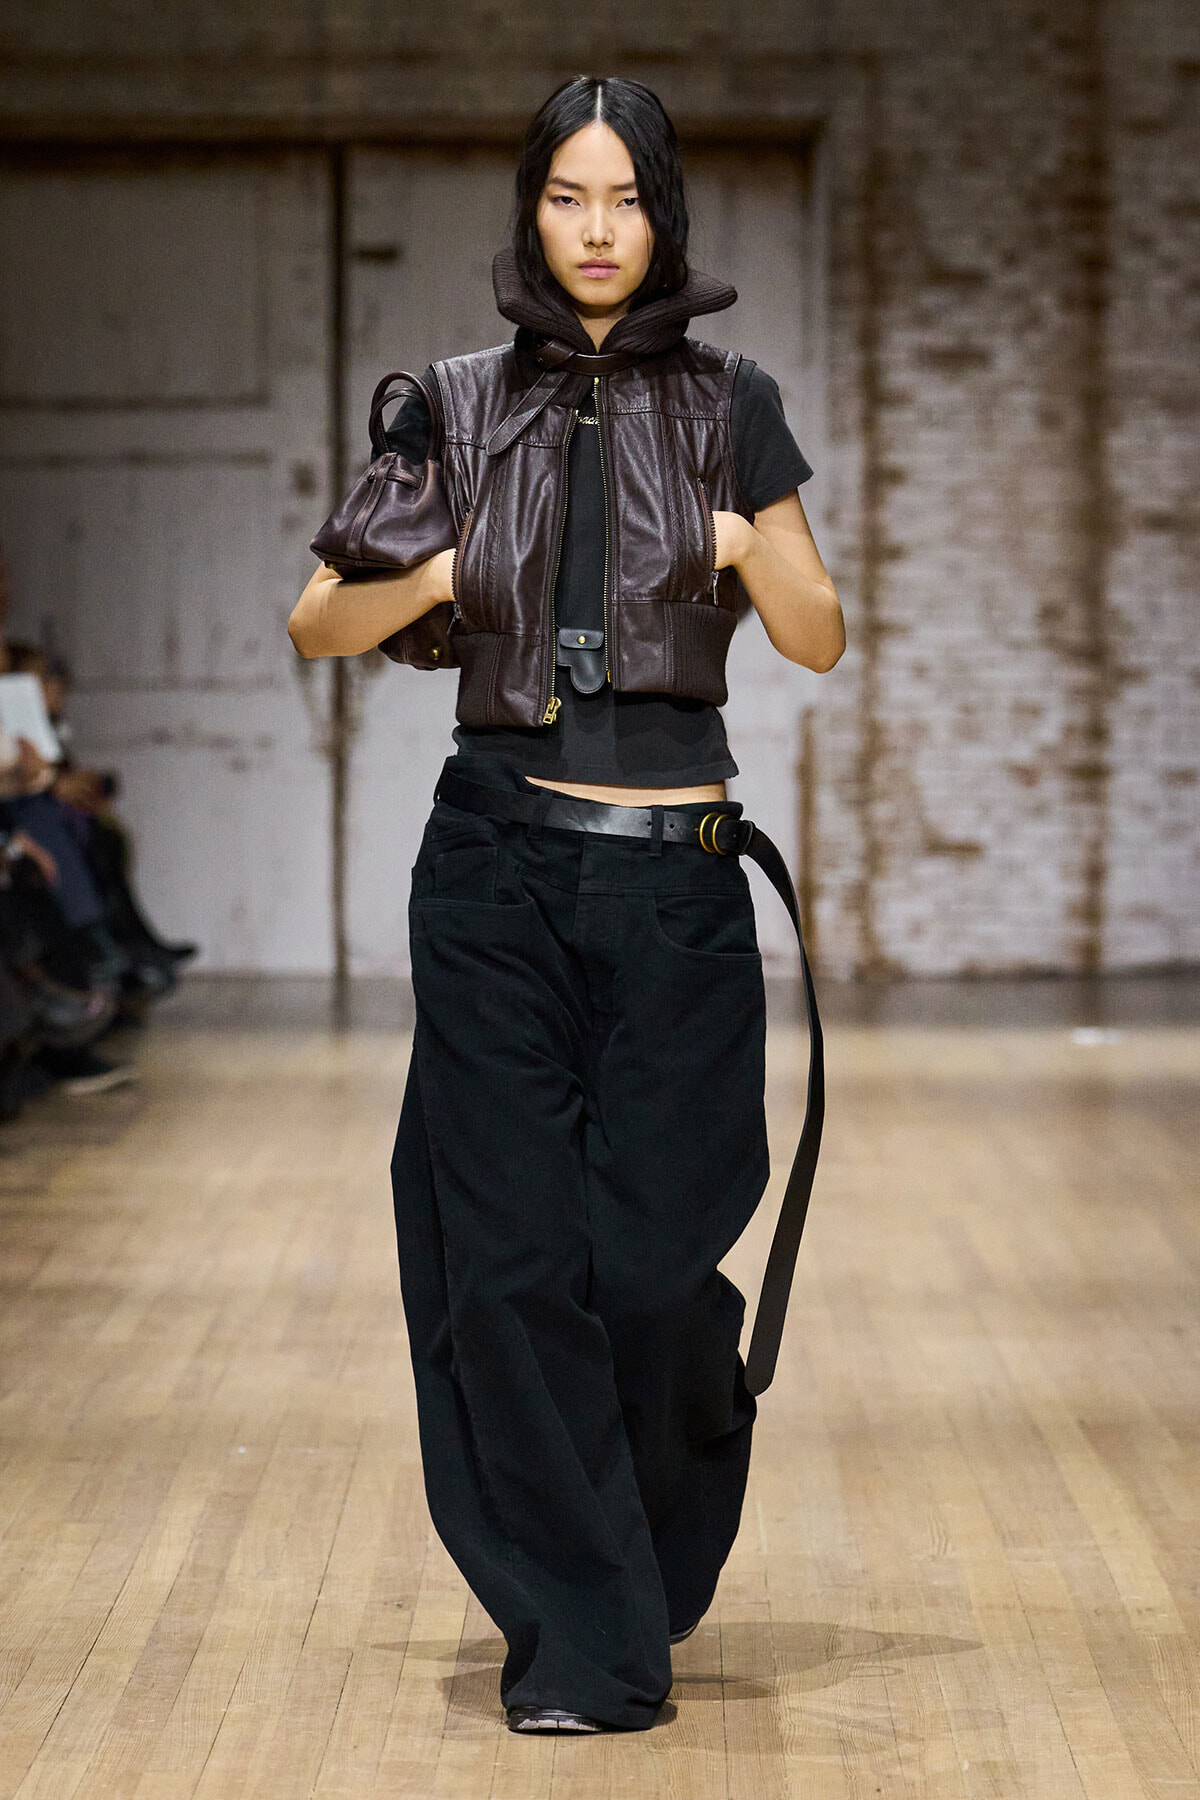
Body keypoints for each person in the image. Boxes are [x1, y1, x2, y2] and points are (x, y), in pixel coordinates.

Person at [289, 75, 844, 1735]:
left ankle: (629, 1543)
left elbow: (818, 638)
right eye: (566, 199)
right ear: (532, 212)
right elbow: (320, 620)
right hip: (498, 870)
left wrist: (751, 550)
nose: (597, 231)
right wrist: (449, 575)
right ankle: (590, 1643)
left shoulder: (736, 401)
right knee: (511, 1262)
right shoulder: (454, 407)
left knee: (656, 1267)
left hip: (675, 883)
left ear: (661, 215)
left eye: (625, 200)